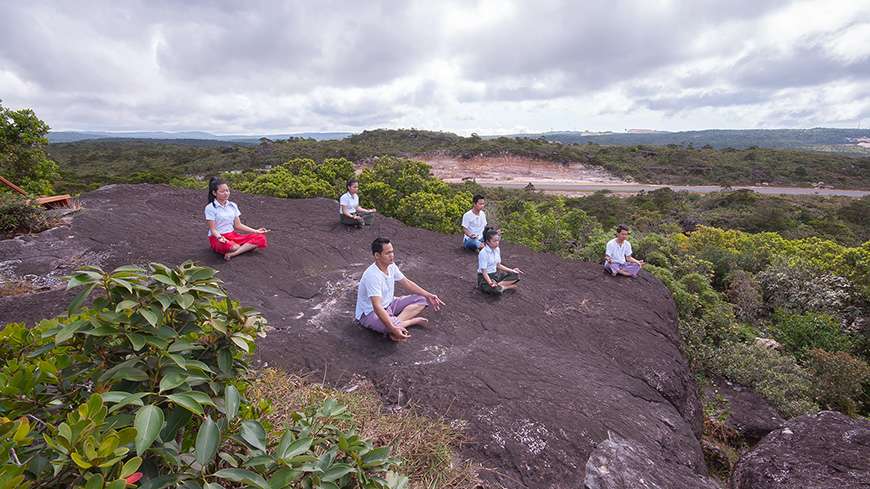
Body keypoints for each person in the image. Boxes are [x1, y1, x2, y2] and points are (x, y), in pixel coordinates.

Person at [355, 237, 446, 342]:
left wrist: (428, 294)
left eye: (392, 252)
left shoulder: (391, 265)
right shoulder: (372, 276)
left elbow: (406, 282)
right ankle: (409, 322)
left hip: (390, 304)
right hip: (369, 313)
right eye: (388, 253)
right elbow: (377, 307)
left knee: (424, 299)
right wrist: (392, 328)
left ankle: (397, 323)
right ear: (377, 255)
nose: (392, 256)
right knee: (387, 327)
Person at [205, 177, 269, 261]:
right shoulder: (210, 208)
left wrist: (256, 231)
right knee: (234, 246)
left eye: (227, 190)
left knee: (260, 237)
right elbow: (213, 230)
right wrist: (220, 238)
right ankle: (244, 248)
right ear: (214, 193)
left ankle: (233, 254)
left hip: (232, 235)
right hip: (218, 238)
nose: (226, 193)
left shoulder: (232, 205)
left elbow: (238, 225)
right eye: (222, 191)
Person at [477, 228, 523, 294]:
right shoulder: (483, 253)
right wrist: (490, 283)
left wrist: (512, 270)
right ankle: (505, 287)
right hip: (484, 278)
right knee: (495, 290)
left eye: (498, 241)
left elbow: (498, 265)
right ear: (487, 241)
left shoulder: (497, 249)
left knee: (515, 274)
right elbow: (484, 272)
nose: (497, 243)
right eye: (494, 241)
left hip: (495, 275)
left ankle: (499, 285)